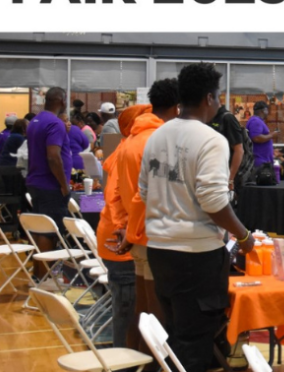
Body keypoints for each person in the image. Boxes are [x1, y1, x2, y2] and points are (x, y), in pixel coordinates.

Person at [138, 65, 254, 372]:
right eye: (217, 98)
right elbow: (214, 202)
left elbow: (144, 190)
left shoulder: (156, 136)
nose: (218, 104)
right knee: (194, 344)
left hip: (160, 251)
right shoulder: (211, 139)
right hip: (196, 255)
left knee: (175, 335)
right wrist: (244, 235)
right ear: (209, 98)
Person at [109, 80, 179, 358]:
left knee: (142, 312)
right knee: (157, 318)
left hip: (138, 236)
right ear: (177, 107)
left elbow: (116, 193)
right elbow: (150, 194)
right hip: (154, 237)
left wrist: (124, 228)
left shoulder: (130, 141)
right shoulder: (159, 141)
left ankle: (135, 363)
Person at [95, 104, 149, 350]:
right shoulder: (130, 150)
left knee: (130, 309)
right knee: (127, 312)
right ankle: (123, 363)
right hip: (122, 243)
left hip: (122, 239)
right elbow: (115, 198)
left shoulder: (125, 148)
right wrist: (126, 233)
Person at [25, 87, 72, 286]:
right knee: (48, 232)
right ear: (61, 101)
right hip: (50, 185)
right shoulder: (55, 123)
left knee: (39, 229)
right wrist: (63, 185)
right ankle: (44, 278)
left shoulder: (35, 121)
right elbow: (53, 157)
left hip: (35, 182)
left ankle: (38, 274)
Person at [207, 99, 246, 199]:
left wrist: (230, 179)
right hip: (209, 174)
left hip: (224, 176)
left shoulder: (227, 118)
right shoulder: (208, 118)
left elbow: (239, 150)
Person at [247, 101, 275, 177]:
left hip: (264, 161)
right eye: (267, 110)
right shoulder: (256, 121)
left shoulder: (257, 121)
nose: (268, 112)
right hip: (260, 162)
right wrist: (271, 135)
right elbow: (256, 138)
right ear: (263, 110)